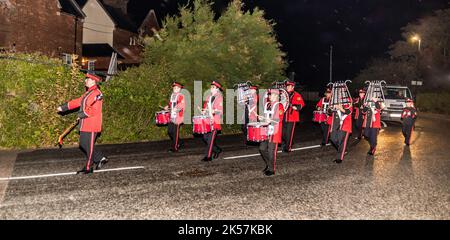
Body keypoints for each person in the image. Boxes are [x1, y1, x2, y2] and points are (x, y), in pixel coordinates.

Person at [57, 73, 108, 174]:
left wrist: (81, 114)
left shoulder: (97, 94)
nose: (85, 81)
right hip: (85, 124)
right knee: (83, 144)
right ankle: (100, 158)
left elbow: (94, 110)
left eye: (87, 79)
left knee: (88, 146)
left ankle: (88, 167)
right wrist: (63, 107)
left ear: (93, 81)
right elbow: (77, 102)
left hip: (92, 124)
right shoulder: (87, 93)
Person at [259, 89, 285, 176]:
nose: (270, 96)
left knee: (271, 151)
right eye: (270, 95)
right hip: (266, 130)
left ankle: (272, 169)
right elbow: (266, 116)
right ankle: (268, 164)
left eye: (273, 95)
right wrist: (262, 118)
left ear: (277, 96)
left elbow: (278, 119)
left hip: (274, 131)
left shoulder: (279, 105)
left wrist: (269, 120)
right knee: (262, 148)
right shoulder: (267, 104)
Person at [201, 81, 224, 161]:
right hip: (207, 120)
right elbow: (205, 106)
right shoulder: (209, 97)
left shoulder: (219, 97)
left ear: (217, 89)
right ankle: (217, 150)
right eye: (211, 87)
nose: (211, 88)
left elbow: (220, 110)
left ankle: (208, 156)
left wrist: (214, 111)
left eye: (213, 87)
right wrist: (204, 111)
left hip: (215, 121)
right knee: (205, 138)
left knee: (210, 140)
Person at [282, 80, 305, 152]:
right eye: (287, 86)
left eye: (289, 86)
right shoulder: (283, 94)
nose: (288, 87)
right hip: (283, 116)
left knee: (289, 133)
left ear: (293, 87)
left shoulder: (296, 95)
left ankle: (288, 148)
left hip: (292, 117)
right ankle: (290, 141)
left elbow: (301, 104)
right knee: (282, 133)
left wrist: (296, 107)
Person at [327, 98, 352, 164]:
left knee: (341, 141)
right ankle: (343, 149)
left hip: (345, 124)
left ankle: (339, 158)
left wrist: (340, 108)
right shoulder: (334, 99)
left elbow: (349, 111)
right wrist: (331, 108)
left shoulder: (348, 99)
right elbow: (329, 112)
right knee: (333, 139)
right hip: (335, 124)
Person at [164, 82, 186, 152]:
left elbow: (182, 106)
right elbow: (171, 104)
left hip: (178, 116)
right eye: (174, 88)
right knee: (170, 131)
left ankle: (175, 148)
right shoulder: (172, 95)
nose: (175, 89)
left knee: (175, 132)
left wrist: (177, 109)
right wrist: (167, 107)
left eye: (177, 88)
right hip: (172, 115)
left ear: (180, 89)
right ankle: (179, 142)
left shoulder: (181, 96)